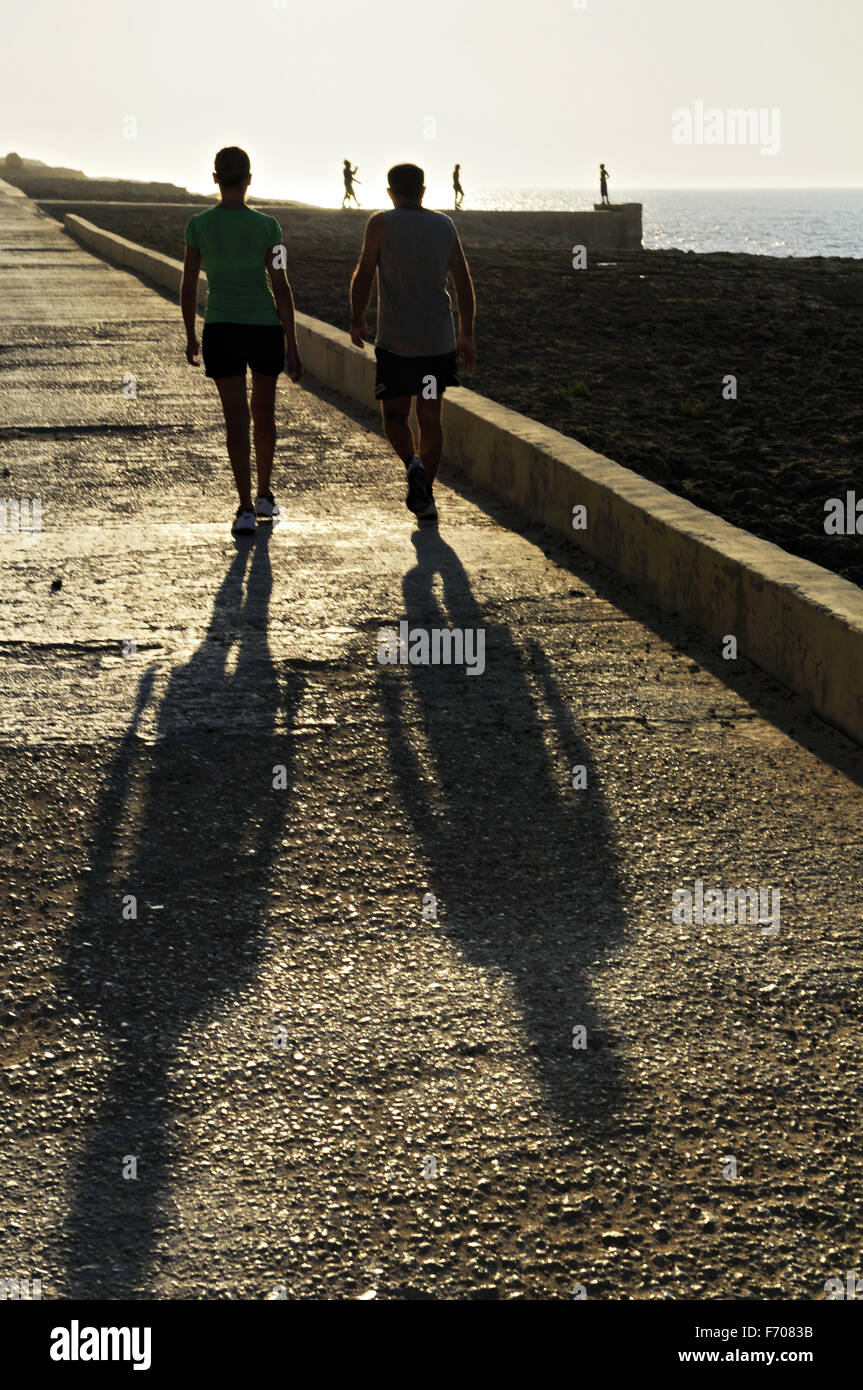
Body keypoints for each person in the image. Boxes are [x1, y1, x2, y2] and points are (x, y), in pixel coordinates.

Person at [180, 146, 302, 536]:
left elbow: (187, 285)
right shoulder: (271, 227)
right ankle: (265, 494)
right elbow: (281, 287)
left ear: (215, 178)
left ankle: (245, 507)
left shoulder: (197, 226)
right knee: (264, 414)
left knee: (236, 420)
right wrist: (293, 344)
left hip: (221, 328)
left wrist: (189, 334)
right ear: (249, 179)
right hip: (264, 329)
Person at [349, 162, 476, 525]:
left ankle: (413, 465)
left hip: (396, 345)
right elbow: (463, 283)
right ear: (423, 190)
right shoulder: (444, 225)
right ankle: (427, 495)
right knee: (430, 416)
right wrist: (466, 333)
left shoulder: (380, 224)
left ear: (391, 193)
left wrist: (357, 319)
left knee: (394, 416)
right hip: (437, 343)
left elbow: (363, 274)